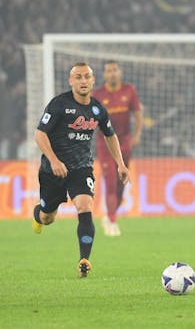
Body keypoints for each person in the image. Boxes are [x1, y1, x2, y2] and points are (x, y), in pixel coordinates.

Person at [32, 62, 130, 278]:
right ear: (71, 81)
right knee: (48, 217)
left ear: (93, 80)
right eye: (78, 77)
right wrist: (54, 160)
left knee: (85, 207)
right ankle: (38, 216)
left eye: (87, 77)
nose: (83, 81)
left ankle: (84, 260)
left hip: (81, 168)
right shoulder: (59, 104)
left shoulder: (97, 109)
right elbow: (40, 134)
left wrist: (120, 164)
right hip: (53, 169)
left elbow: (110, 135)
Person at [92, 61, 143, 236]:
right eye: (108, 71)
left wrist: (136, 135)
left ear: (120, 73)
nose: (112, 73)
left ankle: (110, 215)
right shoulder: (97, 94)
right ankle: (112, 221)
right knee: (110, 180)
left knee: (122, 182)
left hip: (124, 142)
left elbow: (137, 114)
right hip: (105, 143)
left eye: (115, 70)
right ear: (104, 75)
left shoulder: (129, 90)